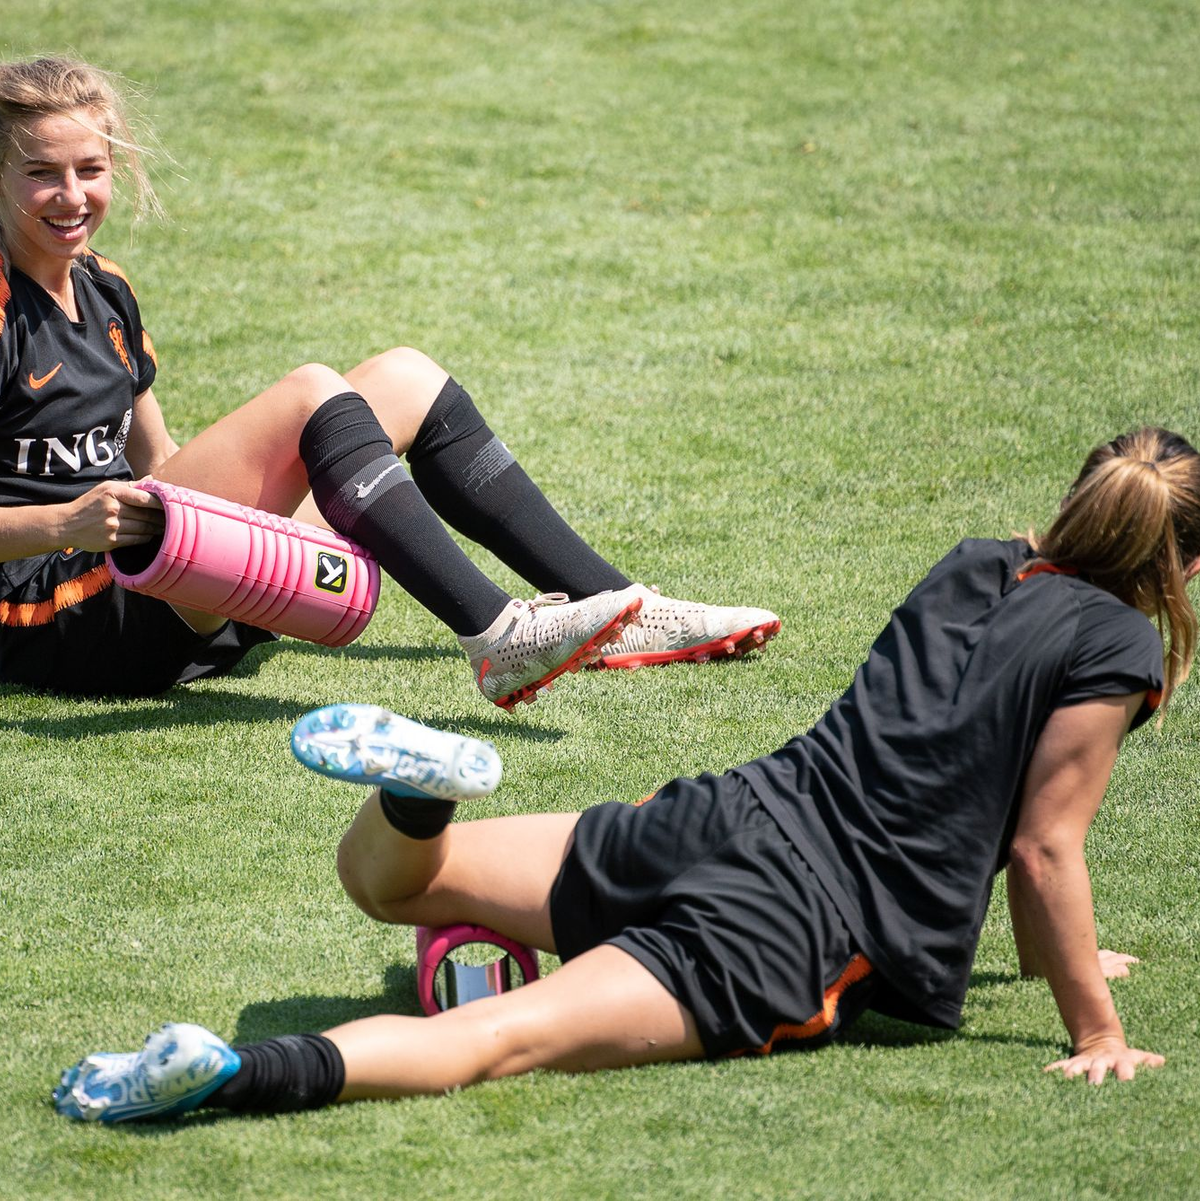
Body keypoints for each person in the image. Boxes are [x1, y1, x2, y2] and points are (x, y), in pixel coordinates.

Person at [52, 427, 1200, 1121]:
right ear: (1182, 564)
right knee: (497, 1039)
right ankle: (231, 1072)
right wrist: (1096, 1029)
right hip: (791, 927)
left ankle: (418, 795)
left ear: (1080, 500)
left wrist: (1054, 951)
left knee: (395, 883)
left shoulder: (982, 564)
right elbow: (1043, 840)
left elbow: (980, 772)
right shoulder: (1120, 646)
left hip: (727, 811)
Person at [0, 57, 779, 708]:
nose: (72, 195)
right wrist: (66, 522)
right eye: (41, 174)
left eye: (90, 169)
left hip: (157, 581)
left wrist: (243, 515)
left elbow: (161, 464)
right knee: (311, 392)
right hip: (62, 616)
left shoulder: (106, 288)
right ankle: (498, 635)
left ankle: (618, 607)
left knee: (405, 378)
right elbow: (104, 512)